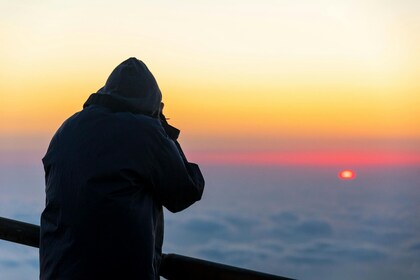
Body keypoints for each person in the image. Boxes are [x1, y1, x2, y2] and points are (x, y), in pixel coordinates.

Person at [39, 58, 205, 280]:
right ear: (153, 102)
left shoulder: (69, 126)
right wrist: (161, 127)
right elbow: (185, 191)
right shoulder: (145, 132)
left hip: (58, 268)